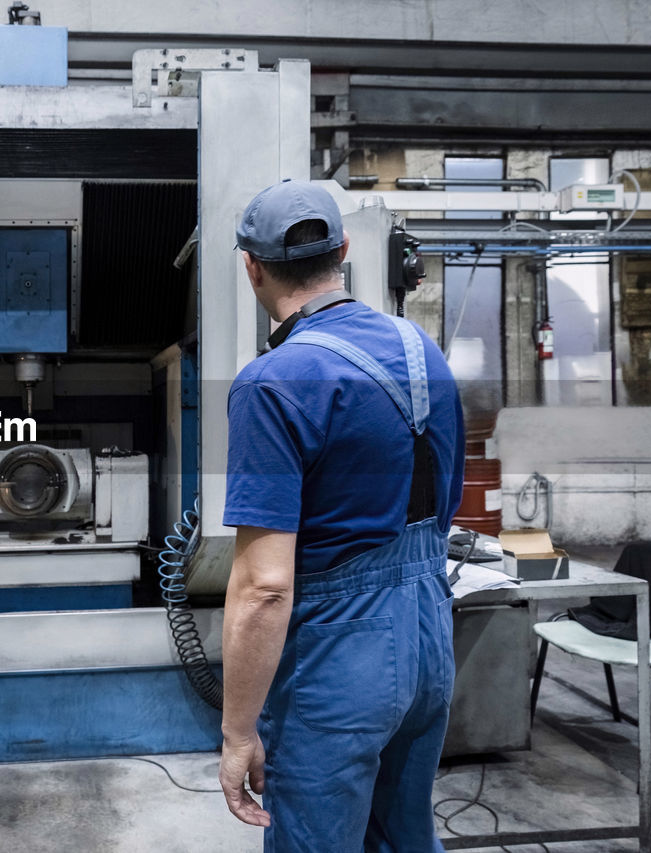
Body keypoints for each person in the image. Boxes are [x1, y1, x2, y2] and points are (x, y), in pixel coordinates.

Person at [217, 180, 465, 851]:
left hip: (340, 658)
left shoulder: (272, 383)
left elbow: (265, 586)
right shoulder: (425, 352)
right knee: (404, 838)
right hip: (429, 642)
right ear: (344, 252)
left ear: (252, 267)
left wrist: (238, 733)